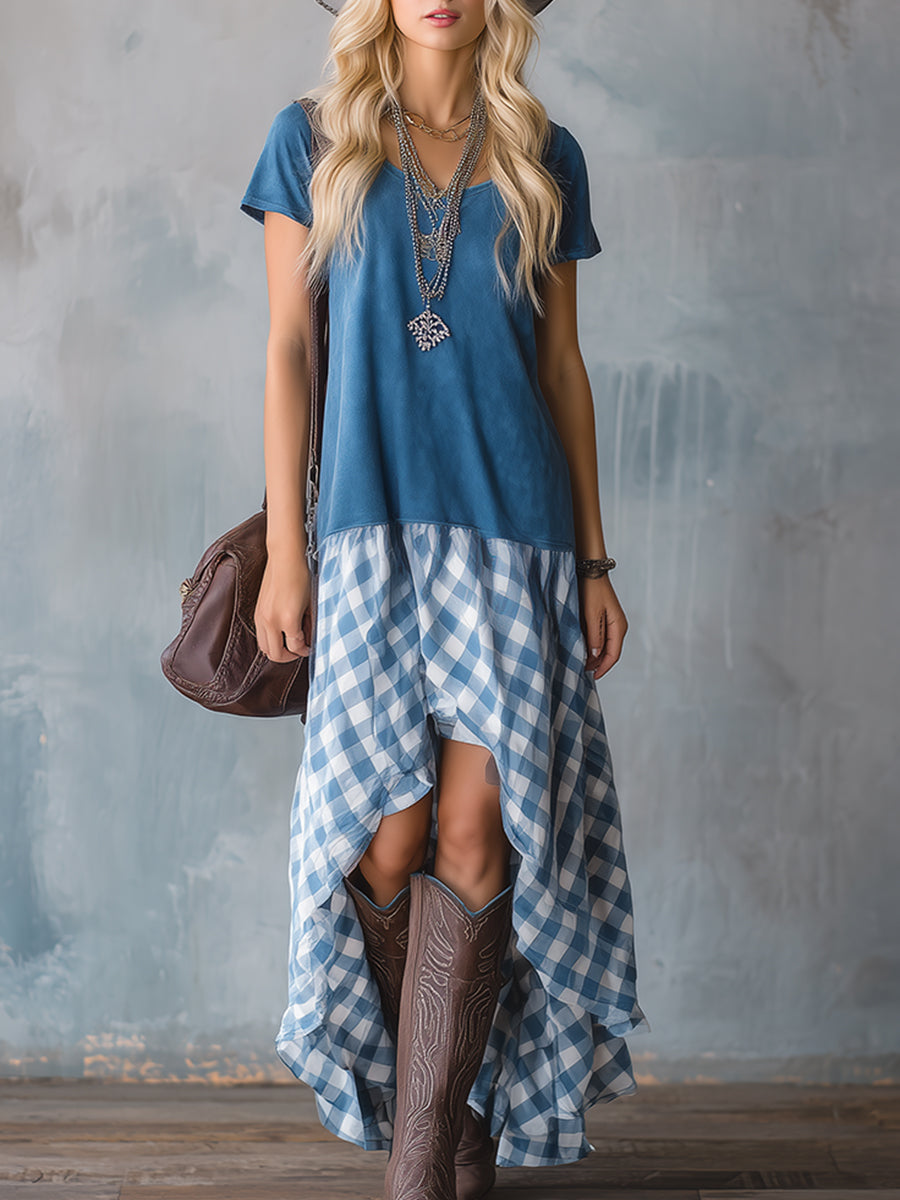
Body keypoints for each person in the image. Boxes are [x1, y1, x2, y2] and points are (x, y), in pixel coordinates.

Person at [239, 1, 650, 1196]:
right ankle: (457, 1106)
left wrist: (593, 562)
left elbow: (560, 364)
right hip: (367, 535)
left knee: (474, 830)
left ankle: (420, 1168)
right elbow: (289, 350)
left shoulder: (544, 153)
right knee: (388, 834)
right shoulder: (310, 141)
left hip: (516, 536)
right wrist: (286, 550)